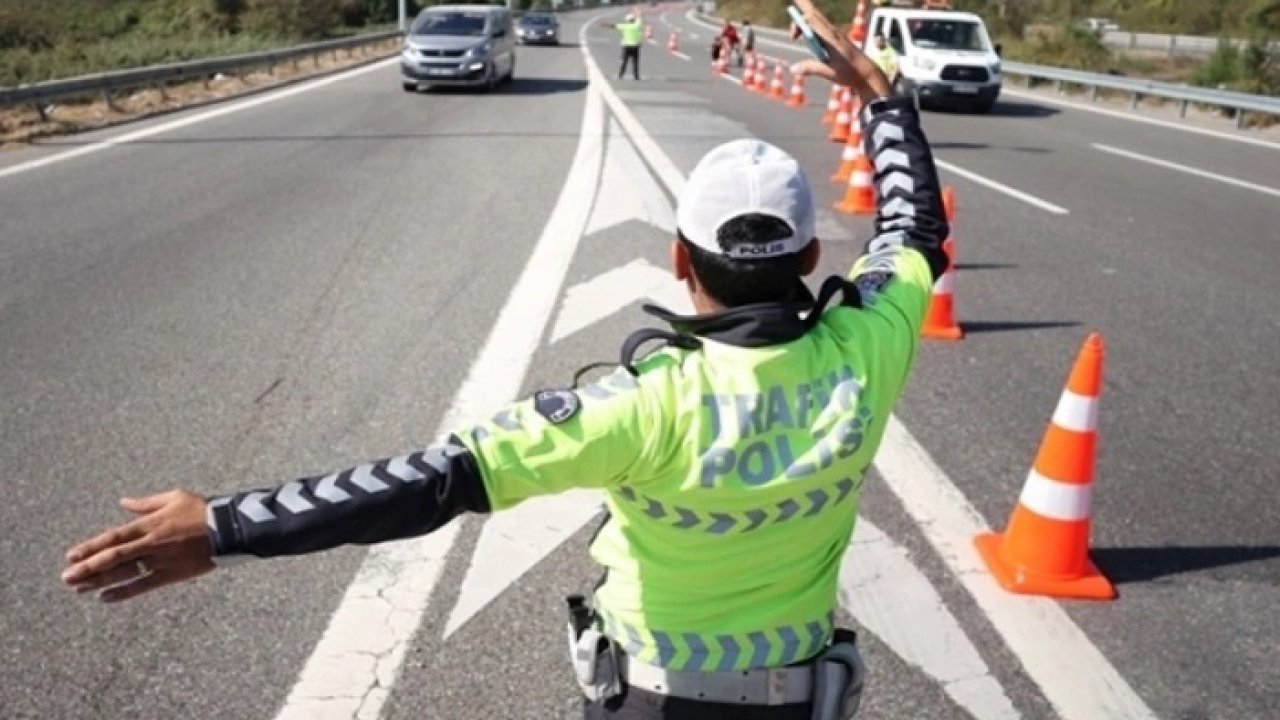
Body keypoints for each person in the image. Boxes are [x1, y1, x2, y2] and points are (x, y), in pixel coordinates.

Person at [59, 0, 949, 717]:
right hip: (799, 699)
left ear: (680, 259)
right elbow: (914, 228)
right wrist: (880, 96)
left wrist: (223, 526)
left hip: (653, 700)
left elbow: (428, 483)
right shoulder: (870, 346)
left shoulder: (640, 406)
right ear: (807, 259)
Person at [612, 11, 644, 80]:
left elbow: (614, 26)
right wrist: (637, 12)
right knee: (635, 61)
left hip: (626, 46)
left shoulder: (624, 26)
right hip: (635, 46)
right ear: (633, 20)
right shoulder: (637, 25)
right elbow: (640, 17)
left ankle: (620, 75)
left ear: (627, 20)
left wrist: (604, 25)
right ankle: (636, 76)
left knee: (624, 61)